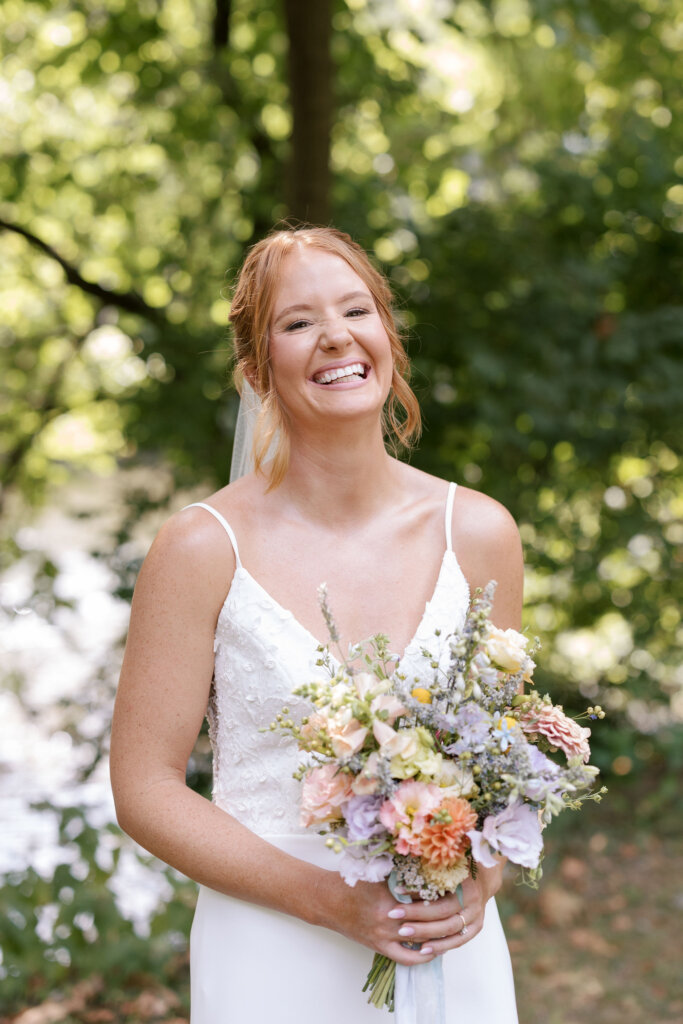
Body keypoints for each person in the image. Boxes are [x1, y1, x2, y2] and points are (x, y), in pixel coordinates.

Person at [110, 226, 522, 1022]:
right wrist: (327, 901)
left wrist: (478, 881)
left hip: (445, 948)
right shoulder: (200, 547)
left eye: (356, 309)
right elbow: (145, 788)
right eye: (297, 322)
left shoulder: (478, 533)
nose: (335, 335)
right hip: (269, 945)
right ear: (257, 368)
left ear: (386, 337)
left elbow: (500, 771)